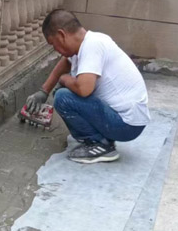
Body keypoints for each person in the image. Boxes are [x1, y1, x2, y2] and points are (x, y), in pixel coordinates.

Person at [26, 10, 151, 164]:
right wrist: (43, 91)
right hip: (128, 120)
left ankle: (99, 144)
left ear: (61, 35)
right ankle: (104, 139)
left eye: (54, 44)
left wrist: (64, 79)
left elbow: (84, 90)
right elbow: (66, 62)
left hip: (126, 124)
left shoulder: (92, 46)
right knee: (65, 91)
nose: (56, 50)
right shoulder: (89, 42)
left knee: (63, 97)